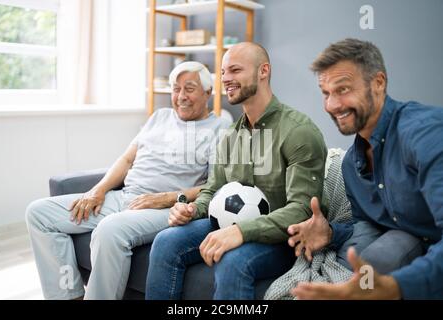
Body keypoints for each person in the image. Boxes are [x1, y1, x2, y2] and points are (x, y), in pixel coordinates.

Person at [25, 61, 231, 300]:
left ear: (208, 92)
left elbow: (216, 184)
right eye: (176, 89)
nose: (181, 96)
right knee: (39, 213)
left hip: (165, 208)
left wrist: (166, 198)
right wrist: (98, 190)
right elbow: (126, 159)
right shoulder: (159, 117)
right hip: (124, 197)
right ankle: (68, 296)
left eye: (189, 88)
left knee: (109, 231)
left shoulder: (221, 128)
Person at [145, 42, 328, 300]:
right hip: (228, 225)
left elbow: (302, 209)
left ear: (263, 71)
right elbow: (212, 190)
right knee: (166, 242)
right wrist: (190, 209)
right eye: (222, 72)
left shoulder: (299, 131)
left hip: (281, 239)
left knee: (233, 261)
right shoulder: (229, 137)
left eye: (235, 70)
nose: (226, 79)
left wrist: (241, 232)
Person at [288, 38, 443, 299]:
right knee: (358, 259)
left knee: (378, 260)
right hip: (405, 248)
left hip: (427, 258)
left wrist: (396, 287)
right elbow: (369, 226)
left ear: (378, 83)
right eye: (326, 93)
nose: (332, 105)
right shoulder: (352, 163)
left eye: (343, 89)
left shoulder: (424, 134)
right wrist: (331, 233)